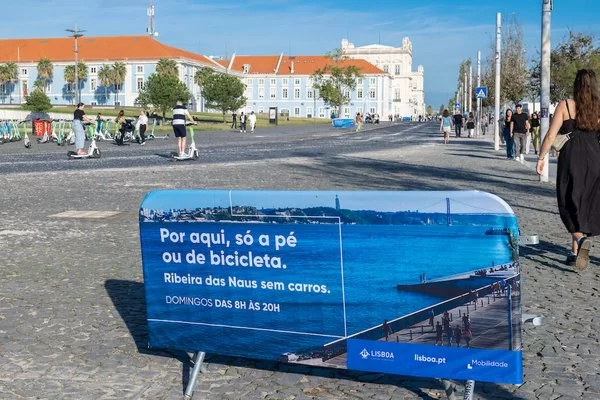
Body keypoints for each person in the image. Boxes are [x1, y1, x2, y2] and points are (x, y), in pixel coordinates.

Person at [536, 69, 600, 271]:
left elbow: (549, 136)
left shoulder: (566, 105)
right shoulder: (598, 108)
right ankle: (574, 253)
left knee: (567, 201)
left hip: (573, 157)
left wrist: (541, 157)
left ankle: (580, 241)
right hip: (595, 157)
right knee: (586, 203)